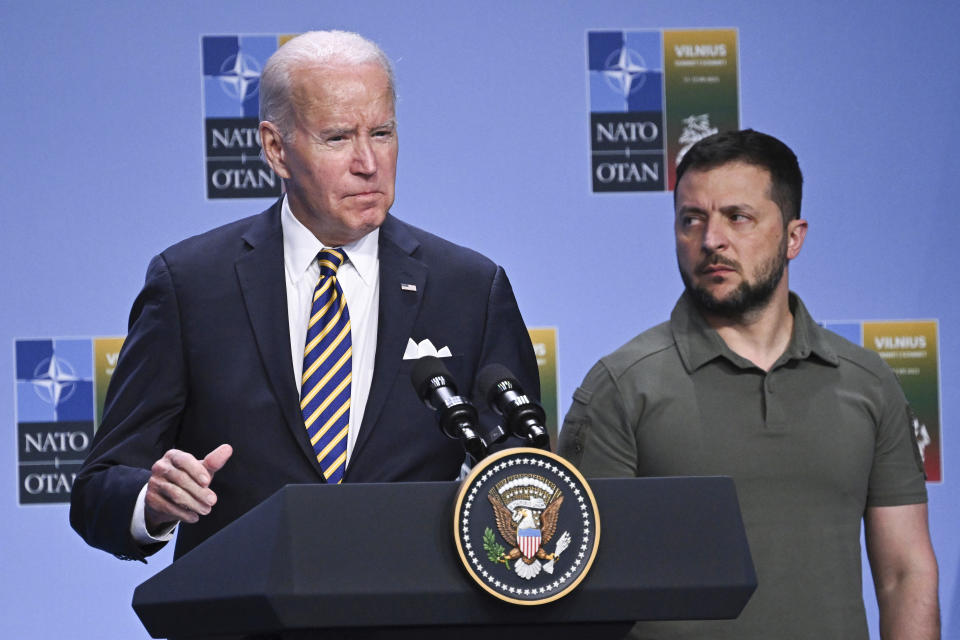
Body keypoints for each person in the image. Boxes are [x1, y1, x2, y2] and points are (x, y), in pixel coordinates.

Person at [70, 30, 539, 562]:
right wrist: (150, 503)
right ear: (276, 148)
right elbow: (97, 490)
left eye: (382, 133)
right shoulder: (192, 285)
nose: (368, 162)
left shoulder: (470, 289)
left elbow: (525, 482)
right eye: (338, 138)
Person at [558, 129, 938, 639]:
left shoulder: (870, 384)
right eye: (692, 220)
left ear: (794, 237)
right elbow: (577, 588)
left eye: (737, 217)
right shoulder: (622, 386)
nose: (711, 239)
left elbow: (904, 574)